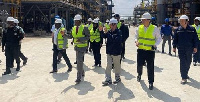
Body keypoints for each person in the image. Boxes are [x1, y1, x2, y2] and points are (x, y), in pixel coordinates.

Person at [135, 12, 162, 90]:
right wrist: (136, 41)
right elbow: (136, 36)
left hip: (150, 51)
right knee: (139, 64)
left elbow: (159, 38)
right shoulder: (139, 27)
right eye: (142, 20)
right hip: (141, 50)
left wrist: (155, 45)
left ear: (148, 20)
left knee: (150, 67)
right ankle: (139, 74)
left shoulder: (154, 28)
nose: (142, 21)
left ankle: (151, 82)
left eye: (143, 20)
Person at [173, 15, 198, 84]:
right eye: (180, 21)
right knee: (183, 62)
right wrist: (174, 47)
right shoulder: (178, 30)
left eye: (182, 21)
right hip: (181, 49)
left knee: (189, 61)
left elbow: (195, 39)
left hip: (189, 49)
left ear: (187, 21)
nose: (180, 22)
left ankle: (186, 73)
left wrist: (195, 47)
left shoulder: (192, 29)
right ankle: (183, 77)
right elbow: (175, 39)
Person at [100, 18, 122, 86]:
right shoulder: (108, 32)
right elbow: (104, 36)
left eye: (112, 25)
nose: (111, 26)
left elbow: (115, 40)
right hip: (109, 51)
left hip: (116, 52)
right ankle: (108, 79)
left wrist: (108, 34)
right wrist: (101, 31)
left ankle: (117, 77)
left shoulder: (119, 32)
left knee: (116, 65)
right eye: (110, 25)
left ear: (115, 25)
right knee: (108, 65)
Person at [71, 14, 90, 83]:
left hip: (82, 47)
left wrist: (81, 39)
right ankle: (82, 72)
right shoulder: (73, 28)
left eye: (76, 21)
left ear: (80, 21)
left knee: (79, 61)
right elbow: (71, 36)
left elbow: (88, 37)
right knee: (80, 61)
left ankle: (78, 77)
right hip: (76, 47)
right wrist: (64, 35)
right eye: (75, 21)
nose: (75, 22)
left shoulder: (84, 28)